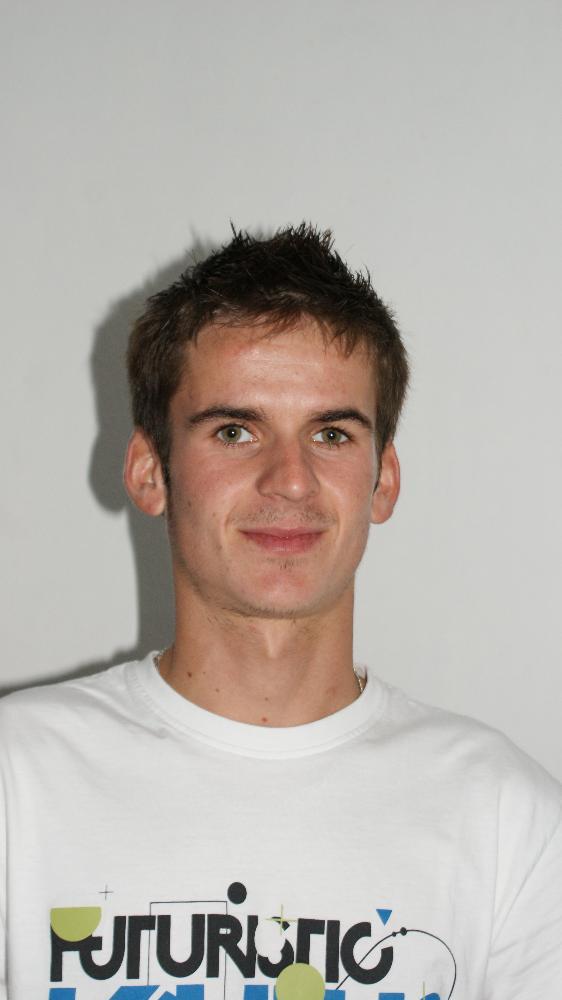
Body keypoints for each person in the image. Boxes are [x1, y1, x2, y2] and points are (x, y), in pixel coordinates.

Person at [1, 224, 560, 1000]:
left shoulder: (506, 816)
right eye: (235, 431)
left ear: (383, 481)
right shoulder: (18, 779)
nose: (290, 480)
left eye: (331, 433)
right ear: (149, 470)